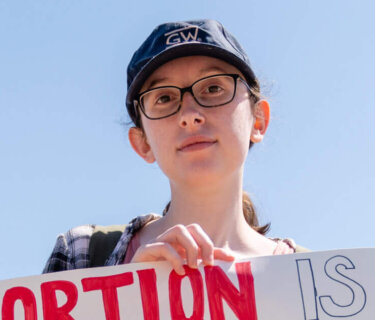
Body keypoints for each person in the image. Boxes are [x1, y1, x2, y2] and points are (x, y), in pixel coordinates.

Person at [43, 19, 298, 275]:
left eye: (213, 87)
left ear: (259, 120)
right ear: (142, 143)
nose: (189, 114)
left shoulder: (319, 278)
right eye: (164, 97)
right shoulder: (81, 255)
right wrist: (124, 294)